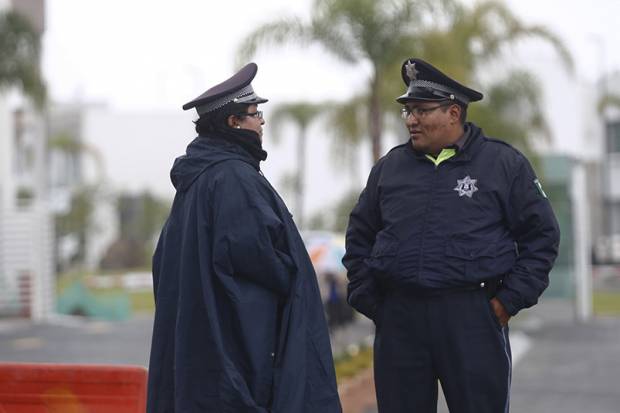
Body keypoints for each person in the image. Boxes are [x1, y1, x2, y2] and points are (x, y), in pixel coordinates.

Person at [342, 58, 560, 413]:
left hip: (472, 317)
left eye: (421, 110)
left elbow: (542, 238)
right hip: (400, 319)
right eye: (408, 111)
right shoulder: (389, 168)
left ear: (454, 113)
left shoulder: (503, 164)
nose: (411, 120)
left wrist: (507, 302)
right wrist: (372, 301)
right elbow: (359, 236)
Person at [147, 63, 341, 413]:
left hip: (205, 348)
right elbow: (261, 258)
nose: (262, 122)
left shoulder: (197, 182)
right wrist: (292, 272)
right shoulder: (234, 178)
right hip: (241, 351)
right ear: (233, 123)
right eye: (255, 114)